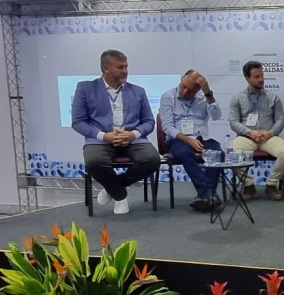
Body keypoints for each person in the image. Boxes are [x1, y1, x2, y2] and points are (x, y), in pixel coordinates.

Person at [72, 49, 160, 215]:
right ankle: (120, 195)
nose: (125, 71)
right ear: (106, 68)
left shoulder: (138, 91)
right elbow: (78, 122)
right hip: (100, 140)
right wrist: (104, 136)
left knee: (152, 159)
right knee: (94, 161)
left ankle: (112, 188)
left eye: (126, 67)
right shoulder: (85, 88)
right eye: (120, 67)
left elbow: (149, 121)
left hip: (133, 139)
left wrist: (133, 134)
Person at [228, 61, 284, 201]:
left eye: (262, 75)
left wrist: (269, 133)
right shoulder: (237, 98)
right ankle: (248, 185)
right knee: (232, 154)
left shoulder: (273, 98)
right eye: (257, 76)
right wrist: (249, 132)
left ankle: (271, 184)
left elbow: (280, 120)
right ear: (247, 78)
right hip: (246, 137)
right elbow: (233, 122)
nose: (261, 79)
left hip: (268, 137)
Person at [159, 70, 222, 212]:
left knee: (218, 153)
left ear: (198, 90)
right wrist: (188, 140)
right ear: (181, 80)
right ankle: (208, 194)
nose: (184, 91)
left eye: (190, 90)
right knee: (185, 153)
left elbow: (216, 116)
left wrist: (208, 94)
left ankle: (203, 197)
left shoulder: (203, 97)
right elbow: (167, 127)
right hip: (179, 138)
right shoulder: (168, 96)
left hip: (201, 137)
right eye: (183, 86)